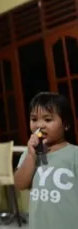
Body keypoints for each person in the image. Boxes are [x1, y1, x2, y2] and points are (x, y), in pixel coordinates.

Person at [14, 92, 78, 228]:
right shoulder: (29, 153)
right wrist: (31, 156)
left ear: (66, 125)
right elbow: (20, 184)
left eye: (48, 120)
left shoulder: (74, 154)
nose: (39, 126)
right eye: (34, 119)